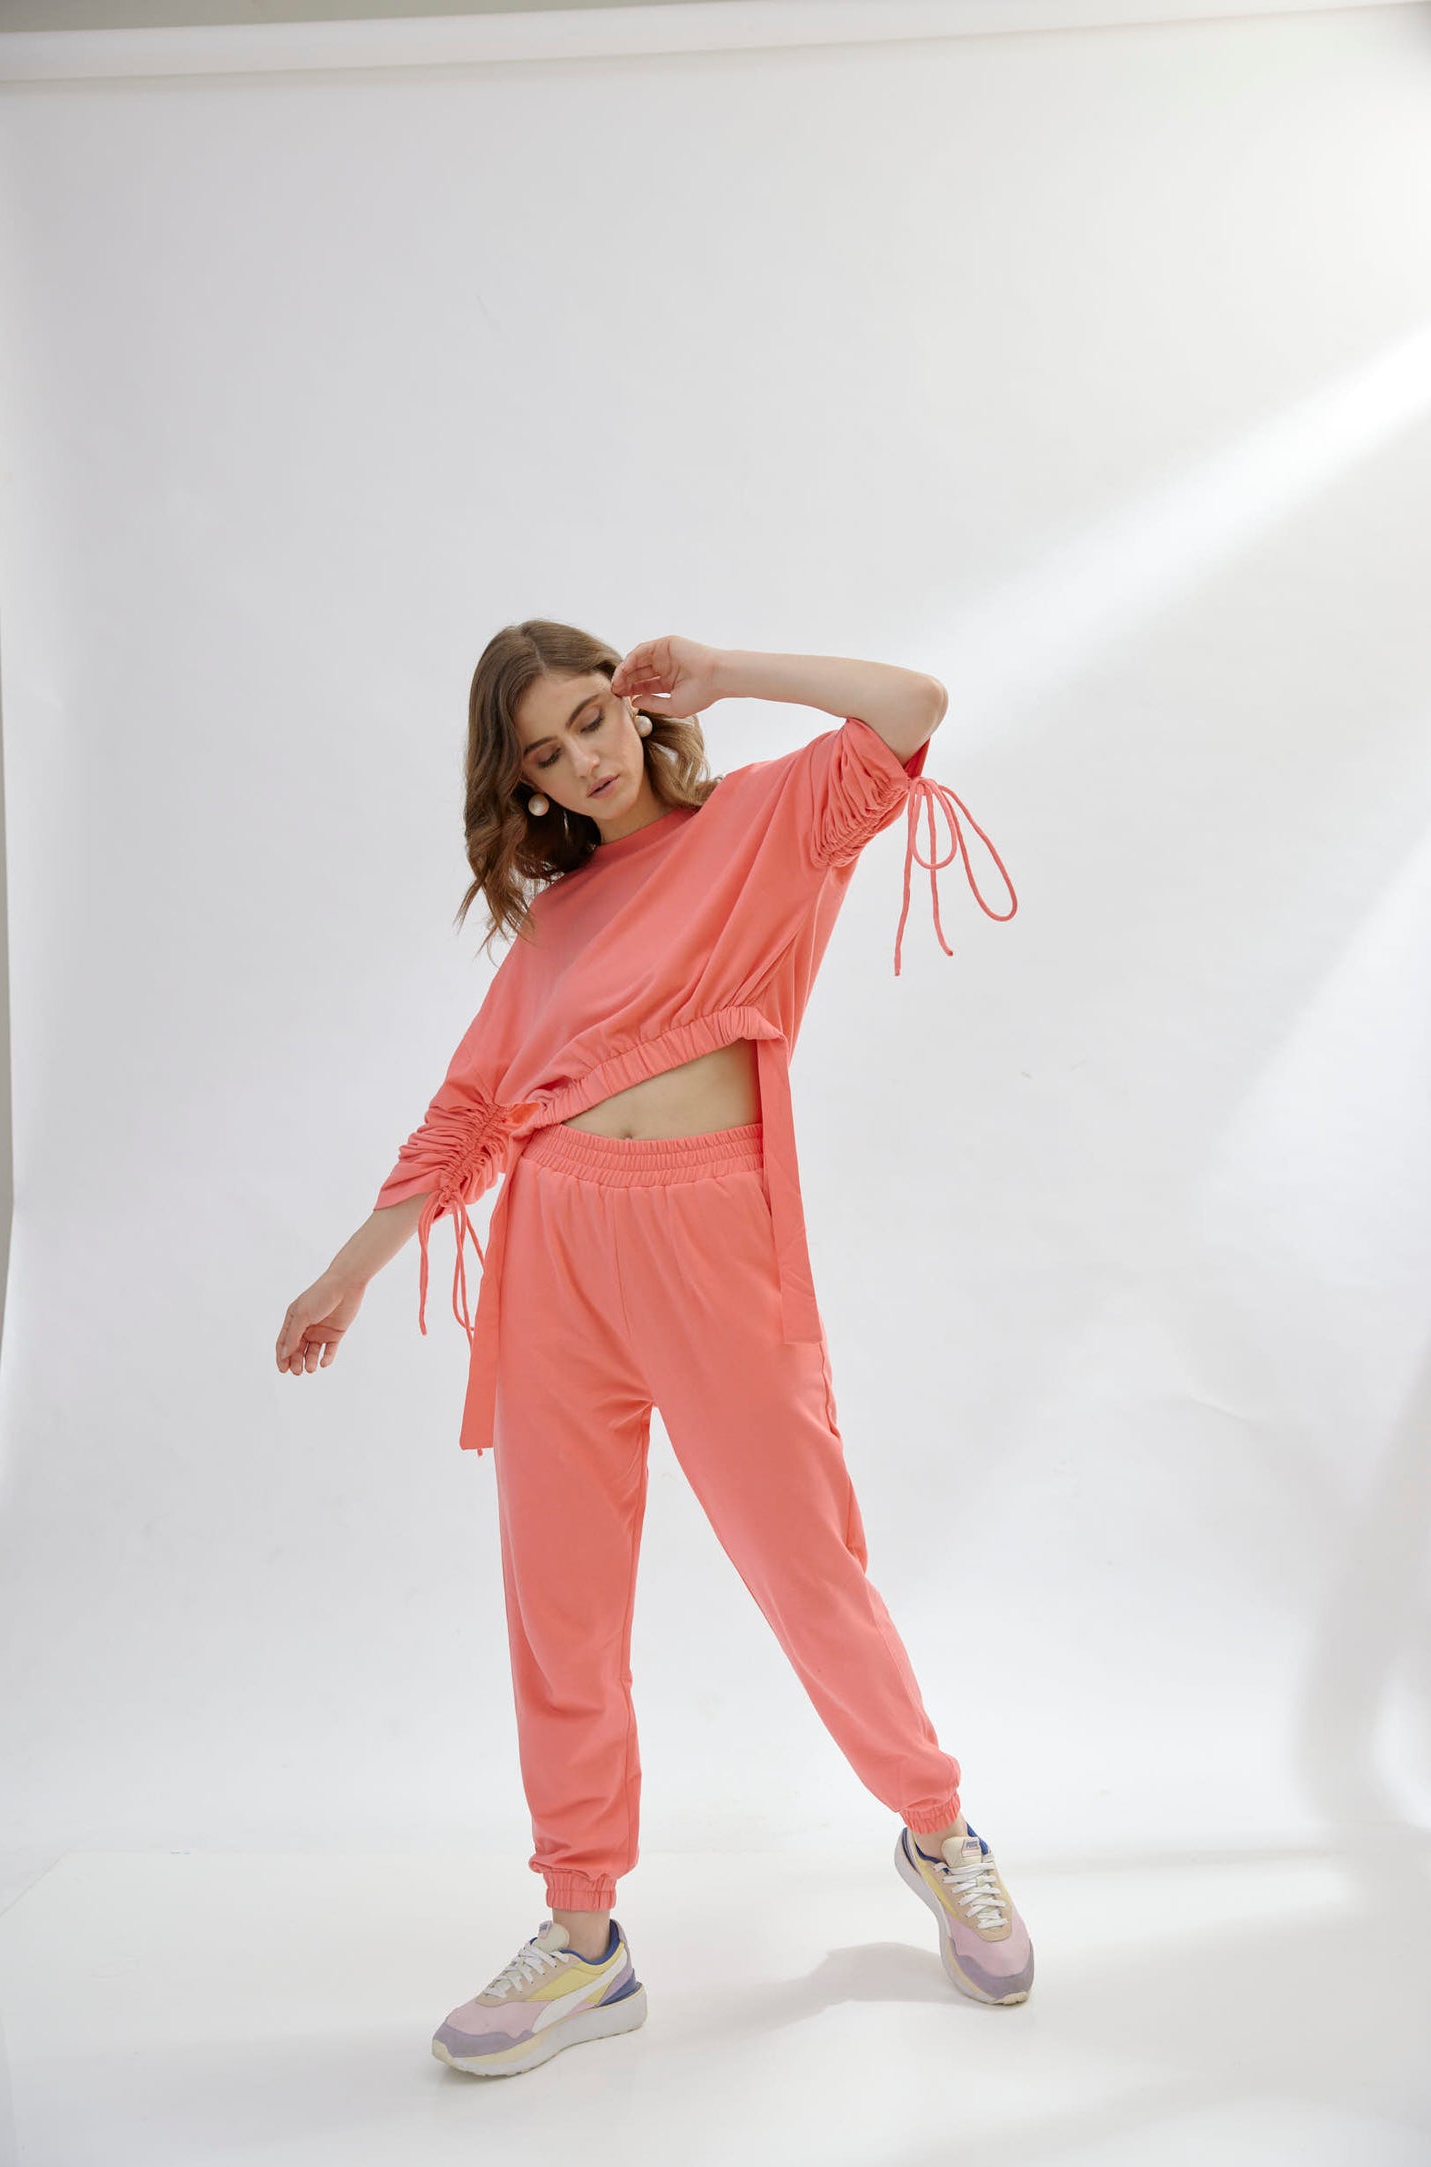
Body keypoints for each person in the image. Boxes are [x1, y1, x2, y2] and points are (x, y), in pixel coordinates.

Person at [276, 624, 1030, 2079]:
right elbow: (469, 1112)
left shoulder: (766, 820)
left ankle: (938, 1832)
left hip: (712, 1240)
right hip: (557, 1253)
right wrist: (348, 1271)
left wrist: (727, 674)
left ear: (632, 703)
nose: (581, 761)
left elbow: (912, 707)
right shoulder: (556, 924)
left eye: (588, 720)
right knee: (559, 1603)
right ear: (524, 785)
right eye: (543, 755)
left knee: (808, 1565)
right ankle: (582, 1936)